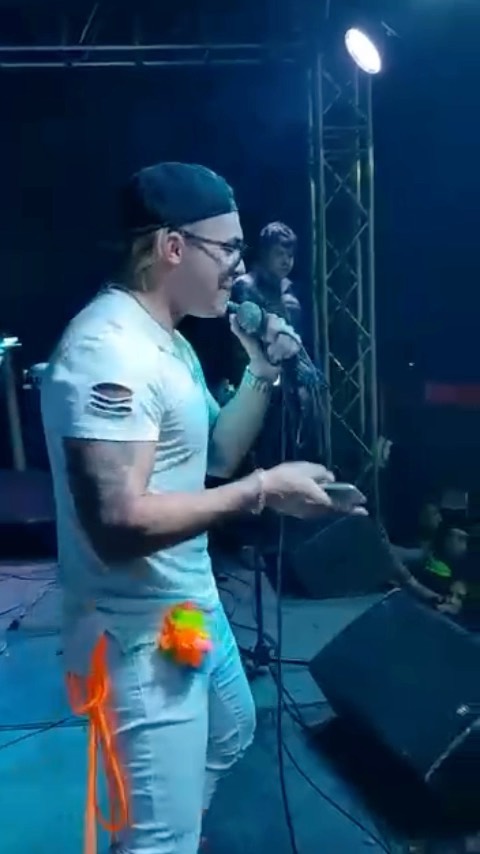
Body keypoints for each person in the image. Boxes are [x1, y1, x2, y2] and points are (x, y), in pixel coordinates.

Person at [41, 163, 355, 854]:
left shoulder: (170, 341)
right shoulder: (109, 351)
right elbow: (117, 525)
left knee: (232, 728)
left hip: (186, 608)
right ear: (172, 247)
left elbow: (215, 454)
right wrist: (264, 490)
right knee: (161, 837)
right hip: (135, 641)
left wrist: (261, 371)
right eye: (230, 249)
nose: (241, 269)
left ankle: (162, 832)